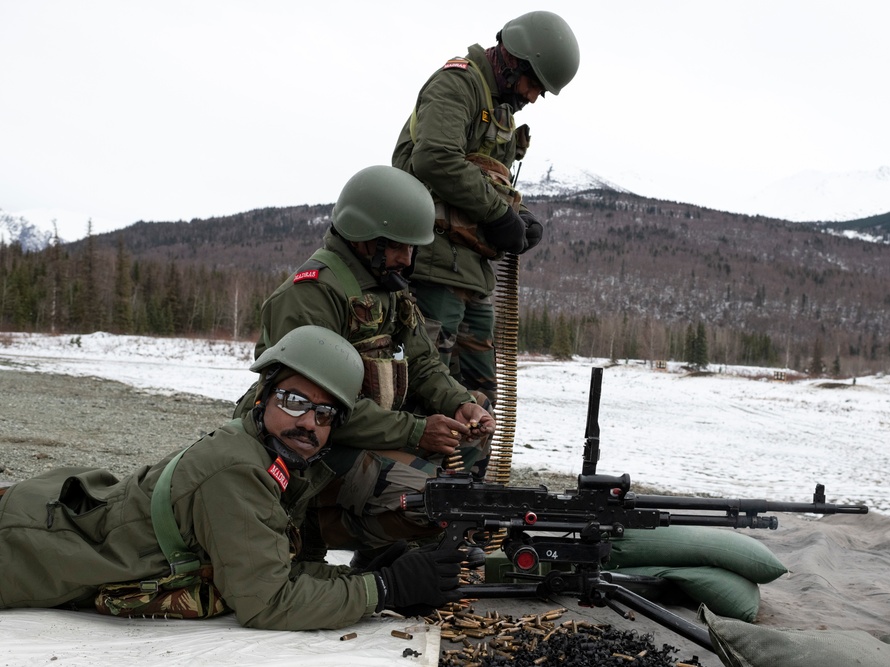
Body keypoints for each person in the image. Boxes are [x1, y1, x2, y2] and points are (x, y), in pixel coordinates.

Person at [0, 326, 464, 630]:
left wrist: (370, 574)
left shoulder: (267, 457)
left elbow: (266, 565)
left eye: (324, 414)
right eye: (295, 402)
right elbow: (267, 601)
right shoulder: (238, 470)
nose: (309, 423)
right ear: (262, 398)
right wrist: (384, 589)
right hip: (24, 549)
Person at [233, 165, 495, 563]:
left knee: (466, 448)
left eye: (412, 249)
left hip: (359, 431)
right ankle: (308, 528)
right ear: (362, 237)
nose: (406, 261)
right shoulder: (312, 295)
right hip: (308, 444)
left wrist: (458, 402)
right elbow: (309, 410)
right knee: (430, 499)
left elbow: (422, 362)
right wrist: (417, 432)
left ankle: (400, 542)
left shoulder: (386, 288)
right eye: (397, 246)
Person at [392, 10, 580, 405]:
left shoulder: (502, 113)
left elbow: (493, 181)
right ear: (513, 60)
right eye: (533, 83)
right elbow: (436, 158)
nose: (532, 96)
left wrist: (520, 215)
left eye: (540, 91)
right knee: (429, 394)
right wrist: (498, 214)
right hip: (432, 264)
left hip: (473, 274)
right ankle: (419, 470)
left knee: (479, 401)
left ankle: (470, 471)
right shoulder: (457, 84)